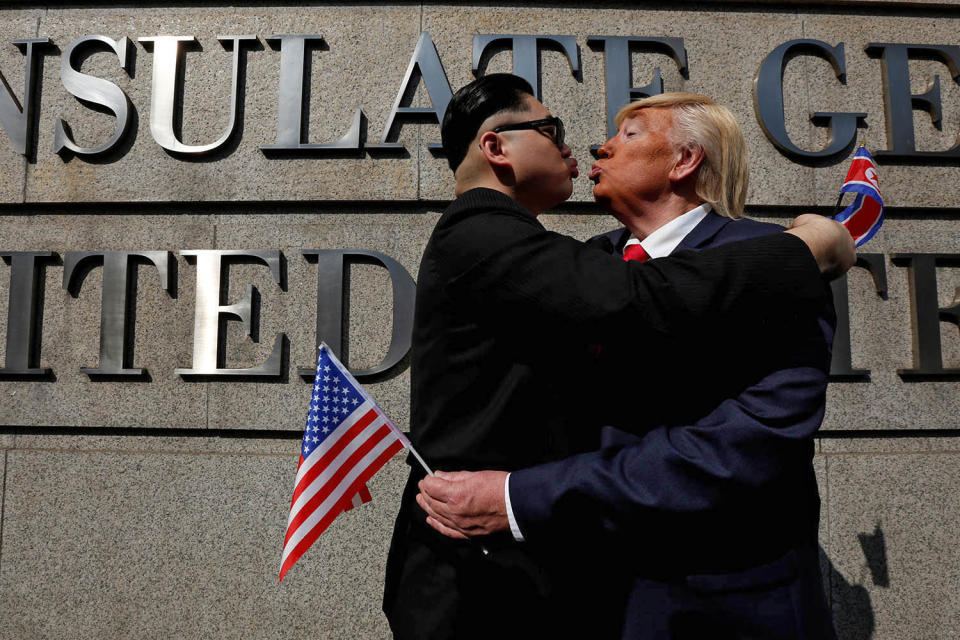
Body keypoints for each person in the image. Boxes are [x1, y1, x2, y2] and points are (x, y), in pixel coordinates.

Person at [383, 75, 852, 640]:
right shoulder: (580, 263)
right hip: (577, 602)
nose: (597, 146)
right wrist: (810, 245)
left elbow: (737, 450)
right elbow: (636, 299)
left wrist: (517, 499)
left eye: (627, 134)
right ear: (495, 149)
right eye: (553, 130)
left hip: (726, 608)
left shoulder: (766, 270)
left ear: (684, 160)